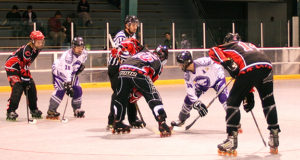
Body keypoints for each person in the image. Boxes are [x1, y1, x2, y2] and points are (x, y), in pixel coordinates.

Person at [208, 33, 280, 155]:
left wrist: (227, 62)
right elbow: (254, 66)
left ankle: (231, 139)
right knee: (268, 101)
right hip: (266, 66)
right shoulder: (249, 44)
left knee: (232, 102)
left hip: (249, 67)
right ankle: (274, 137)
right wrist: (249, 93)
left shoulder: (228, 45)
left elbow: (214, 50)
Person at [111, 45, 172, 137]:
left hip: (123, 69)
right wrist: (135, 96)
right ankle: (162, 123)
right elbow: (147, 85)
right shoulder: (158, 63)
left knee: (120, 96)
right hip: (139, 72)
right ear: (164, 57)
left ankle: (117, 122)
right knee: (153, 95)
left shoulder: (142, 53)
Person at [171, 51, 228, 127]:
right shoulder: (187, 75)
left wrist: (227, 68)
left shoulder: (202, 62)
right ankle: (182, 119)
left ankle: (233, 120)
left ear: (187, 62)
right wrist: (197, 103)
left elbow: (216, 60)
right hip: (202, 84)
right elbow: (190, 91)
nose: (180, 66)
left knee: (224, 98)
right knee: (188, 100)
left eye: (181, 64)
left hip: (217, 78)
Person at [107, 15, 143, 130]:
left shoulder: (133, 36)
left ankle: (133, 119)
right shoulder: (120, 36)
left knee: (130, 91)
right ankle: (112, 120)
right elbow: (119, 53)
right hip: (115, 67)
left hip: (126, 67)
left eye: (136, 25)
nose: (135, 27)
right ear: (127, 25)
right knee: (119, 92)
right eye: (133, 25)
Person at [4, 30, 45, 121]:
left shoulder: (37, 48)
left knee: (31, 87)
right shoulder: (27, 51)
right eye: (39, 42)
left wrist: (27, 80)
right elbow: (22, 65)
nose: (41, 43)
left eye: (42, 41)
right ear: (33, 41)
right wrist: (24, 79)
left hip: (22, 67)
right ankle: (10, 111)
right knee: (18, 87)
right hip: (12, 68)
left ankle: (34, 109)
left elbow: (25, 66)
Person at [46, 37, 87, 119]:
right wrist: (68, 85)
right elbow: (67, 72)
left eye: (81, 47)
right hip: (60, 72)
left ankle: (77, 109)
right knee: (61, 90)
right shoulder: (68, 56)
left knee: (78, 89)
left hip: (71, 72)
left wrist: (78, 68)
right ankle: (51, 110)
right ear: (73, 47)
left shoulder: (84, 53)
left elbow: (81, 61)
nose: (80, 49)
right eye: (78, 47)